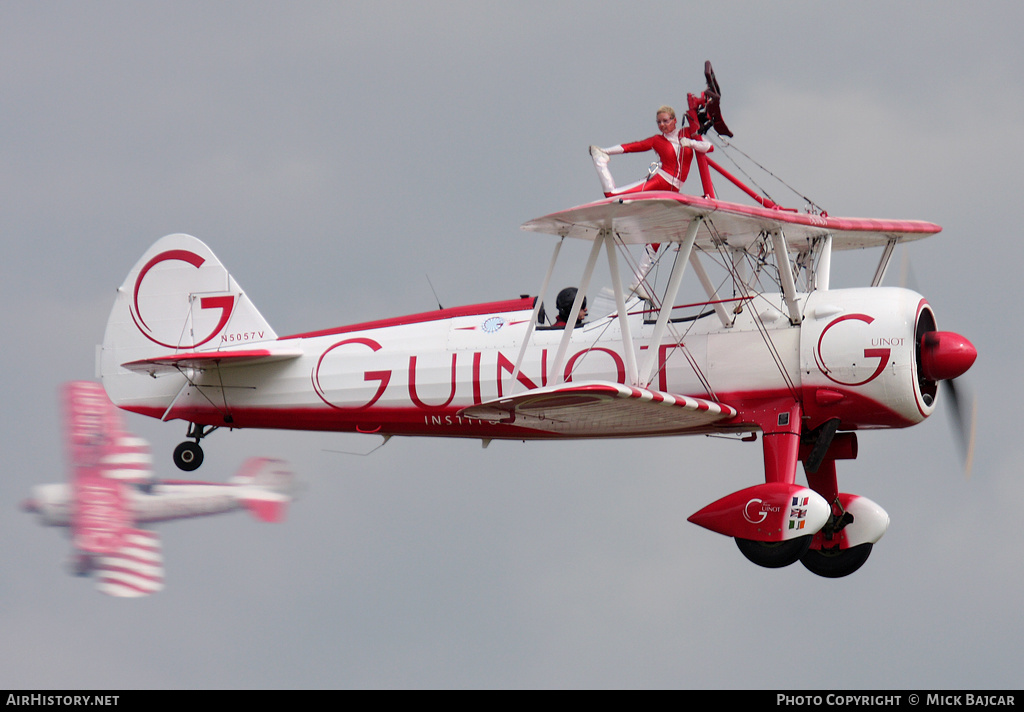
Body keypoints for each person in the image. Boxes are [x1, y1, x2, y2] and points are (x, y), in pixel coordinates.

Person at [589, 105, 712, 198]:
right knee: (612, 195)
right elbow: (632, 147)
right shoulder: (657, 140)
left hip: (675, 187)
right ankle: (600, 159)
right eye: (659, 122)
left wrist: (691, 143)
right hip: (661, 181)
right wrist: (605, 151)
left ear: (674, 120)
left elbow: (709, 147)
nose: (662, 125)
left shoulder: (687, 132)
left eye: (665, 121)